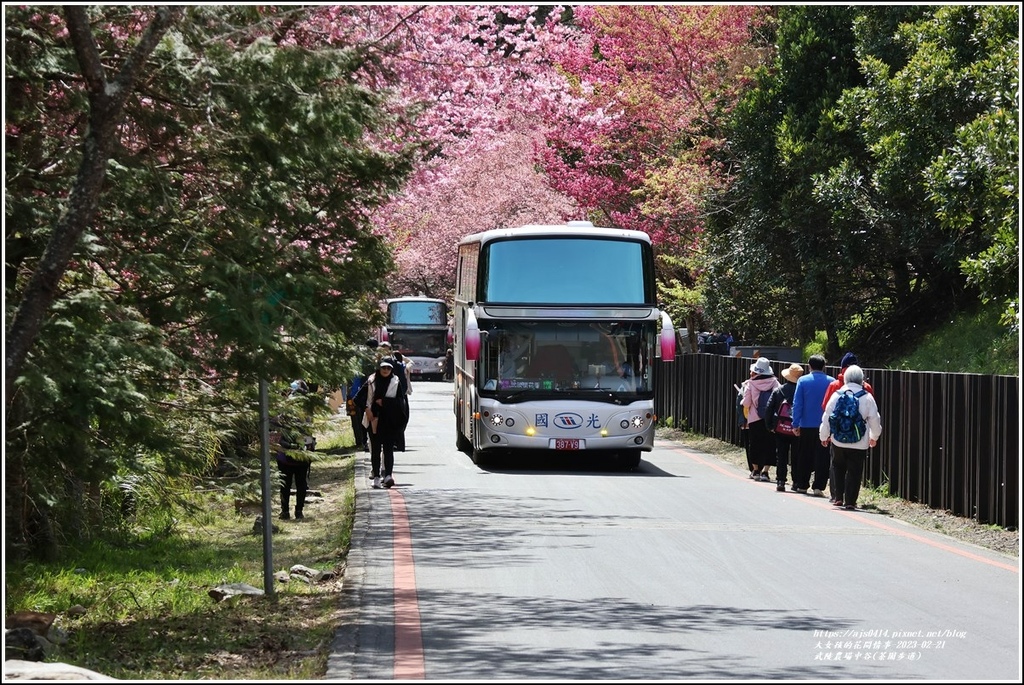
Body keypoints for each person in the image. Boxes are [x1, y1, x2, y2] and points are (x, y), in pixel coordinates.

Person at [819, 365, 881, 510]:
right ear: (862, 379)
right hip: (860, 441)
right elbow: (875, 419)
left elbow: (827, 417)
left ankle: (838, 497)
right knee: (855, 470)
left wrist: (824, 436)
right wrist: (874, 437)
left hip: (838, 439)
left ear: (845, 378)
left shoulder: (836, 395)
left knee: (837, 466)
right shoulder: (867, 397)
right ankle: (850, 501)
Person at [791, 354, 834, 496]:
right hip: (825, 425)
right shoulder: (831, 382)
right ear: (824, 366)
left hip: (806, 424)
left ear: (809, 366)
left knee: (804, 455)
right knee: (823, 456)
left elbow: (797, 404)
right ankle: (819, 487)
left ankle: (802, 484)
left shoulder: (803, 381)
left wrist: (795, 423)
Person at [362, 359, 404, 488]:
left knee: (388, 449)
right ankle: (376, 476)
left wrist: (385, 402)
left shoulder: (395, 382)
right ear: (379, 369)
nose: (386, 370)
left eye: (388, 368)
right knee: (375, 449)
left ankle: (388, 475)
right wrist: (367, 409)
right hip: (374, 419)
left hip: (389, 420)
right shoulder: (371, 381)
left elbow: (401, 401)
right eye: (383, 368)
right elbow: (359, 398)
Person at [765, 362, 802, 492]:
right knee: (796, 455)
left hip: (780, 427)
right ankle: (796, 482)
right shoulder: (801, 390)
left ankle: (781, 480)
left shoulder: (779, 390)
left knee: (781, 455)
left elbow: (769, 408)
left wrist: (770, 425)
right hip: (797, 428)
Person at [742, 357, 780, 482]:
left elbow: (746, 403)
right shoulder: (775, 383)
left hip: (754, 419)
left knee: (755, 444)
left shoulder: (750, 384)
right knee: (770, 444)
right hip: (770, 419)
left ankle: (756, 470)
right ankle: (765, 472)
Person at [270, 413, 312, 520]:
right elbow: (309, 439)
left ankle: (285, 512)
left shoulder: (280, 417)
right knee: (301, 484)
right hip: (301, 458)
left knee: (285, 485)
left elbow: (274, 435)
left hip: (285, 459)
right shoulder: (306, 417)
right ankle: (298, 512)